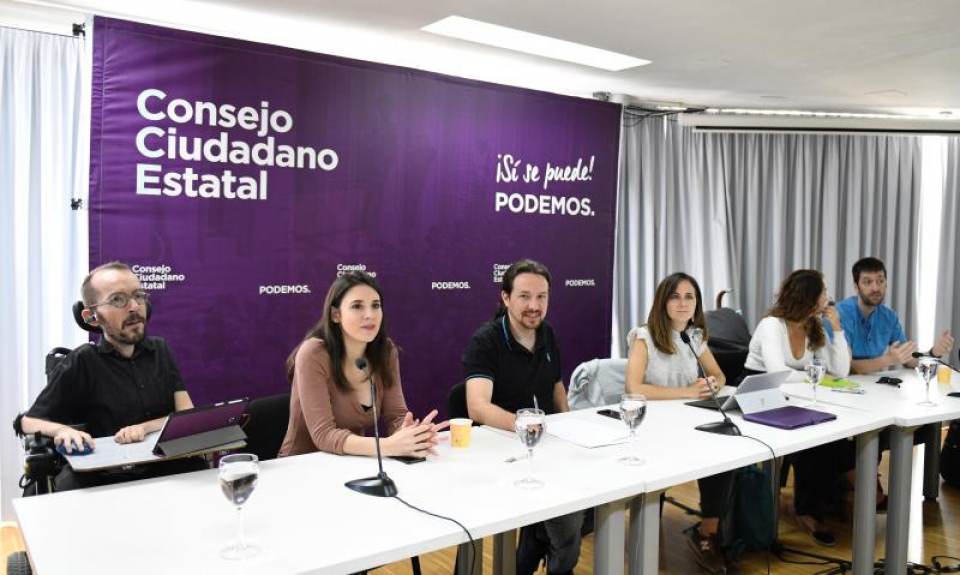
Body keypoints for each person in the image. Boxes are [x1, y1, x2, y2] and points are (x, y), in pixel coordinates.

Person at [19, 261, 203, 490]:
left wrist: (144, 428)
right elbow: (27, 422)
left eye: (138, 296)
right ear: (91, 316)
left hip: (163, 466)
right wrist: (62, 430)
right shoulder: (83, 360)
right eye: (118, 300)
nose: (134, 307)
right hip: (103, 477)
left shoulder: (160, 350)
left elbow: (187, 417)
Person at [462, 259, 582, 575]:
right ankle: (556, 563)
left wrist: (568, 425)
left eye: (542, 297)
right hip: (501, 451)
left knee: (594, 496)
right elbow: (477, 406)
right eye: (525, 296)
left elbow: (556, 386)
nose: (534, 305)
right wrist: (525, 425)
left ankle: (538, 540)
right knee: (569, 517)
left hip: (547, 447)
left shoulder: (548, 334)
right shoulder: (485, 340)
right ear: (506, 298)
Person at [624, 272, 734, 570]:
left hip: (689, 420)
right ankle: (644, 534)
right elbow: (634, 388)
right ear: (663, 302)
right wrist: (684, 392)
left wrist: (714, 383)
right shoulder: (644, 336)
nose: (683, 303)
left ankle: (708, 531)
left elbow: (720, 375)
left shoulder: (695, 336)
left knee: (725, 453)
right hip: (652, 426)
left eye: (690, 297)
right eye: (675, 296)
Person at [279, 271, 445, 459]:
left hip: (355, 462)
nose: (370, 315)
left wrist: (411, 434)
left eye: (376, 306)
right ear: (335, 315)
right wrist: (388, 445)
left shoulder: (385, 350)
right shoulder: (314, 353)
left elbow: (396, 415)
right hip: (301, 466)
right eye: (357, 306)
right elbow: (324, 435)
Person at [743, 269, 852, 546]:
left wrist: (837, 330)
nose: (828, 297)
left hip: (796, 396)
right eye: (824, 292)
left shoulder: (812, 326)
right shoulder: (772, 325)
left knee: (832, 437)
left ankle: (812, 505)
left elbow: (839, 370)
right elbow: (776, 372)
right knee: (810, 438)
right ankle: (806, 510)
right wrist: (813, 376)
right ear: (810, 297)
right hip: (758, 394)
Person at [837, 256, 954, 374]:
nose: (875, 288)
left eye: (880, 281)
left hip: (872, 386)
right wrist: (888, 360)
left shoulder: (889, 317)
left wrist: (933, 352)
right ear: (856, 287)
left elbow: (908, 360)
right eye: (868, 282)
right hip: (839, 386)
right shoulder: (841, 314)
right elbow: (847, 367)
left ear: (886, 284)